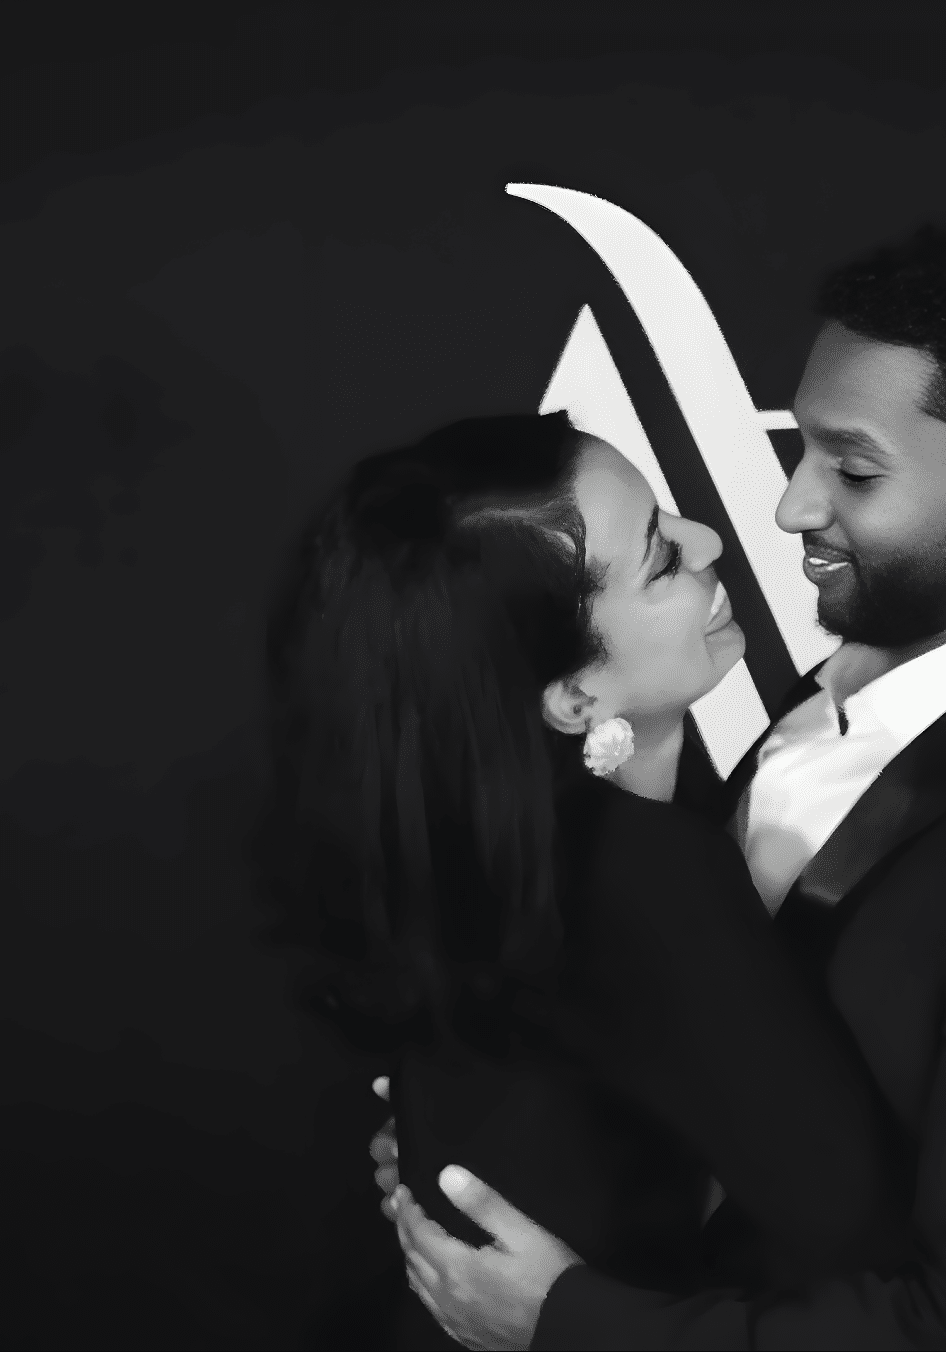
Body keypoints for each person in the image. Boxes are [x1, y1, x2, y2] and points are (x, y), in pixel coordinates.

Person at [388, 225, 946, 1348]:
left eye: (852, 470)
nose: (786, 510)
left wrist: (570, 1324)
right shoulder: (802, 709)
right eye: (802, 448)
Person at [263, 412, 909, 1347]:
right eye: (659, 560)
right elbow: (861, 1228)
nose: (710, 540)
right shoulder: (641, 875)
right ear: (574, 698)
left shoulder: (487, 852)